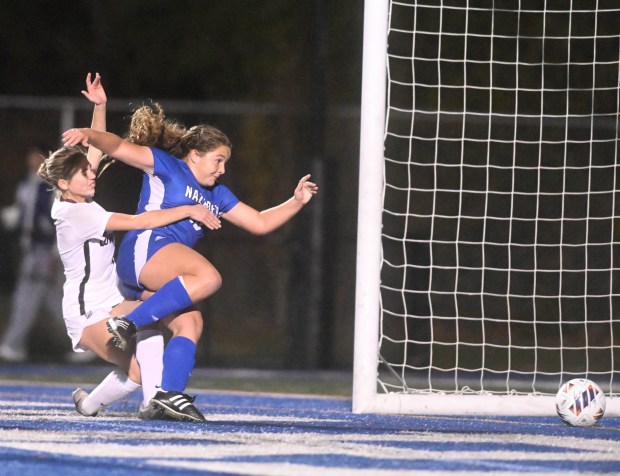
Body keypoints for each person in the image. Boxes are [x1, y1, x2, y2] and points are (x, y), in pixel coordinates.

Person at [62, 103, 318, 416]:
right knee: (208, 277)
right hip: (143, 251)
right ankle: (128, 322)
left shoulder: (218, 194)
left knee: (191, 323)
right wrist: (89, 133)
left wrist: (295, 201)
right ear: (195, 154)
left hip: (158, 271)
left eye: (225, 162)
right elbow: (116, 146)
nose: (222, 169)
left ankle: (167, 394)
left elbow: (260, 223)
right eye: (218, 160)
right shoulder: (166, 166)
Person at [47, 73, 220, 421]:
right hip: (85, 313)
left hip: (108, 300)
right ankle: (155, 401)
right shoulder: (73, 214)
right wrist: (186, 209)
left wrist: (100, 106)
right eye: (84, 174)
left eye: (89, 171)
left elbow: (96, 151)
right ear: (64, 184)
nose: (92, 174)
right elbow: (140, 221)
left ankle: (93, 404)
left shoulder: (78, 194)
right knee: (149, 331)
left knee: (140, 364)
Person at [0, 146, 94, 363]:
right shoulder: (27, 185)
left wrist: (54, 253)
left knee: (29, 297)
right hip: (33, 250)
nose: (32, 162)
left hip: (45, 251)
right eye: (30, 157)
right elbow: (22, 215)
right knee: (53, 301)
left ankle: (13, 344)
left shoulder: (52, 187)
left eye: (37, 157)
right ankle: (84, 341)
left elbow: (58, 222)